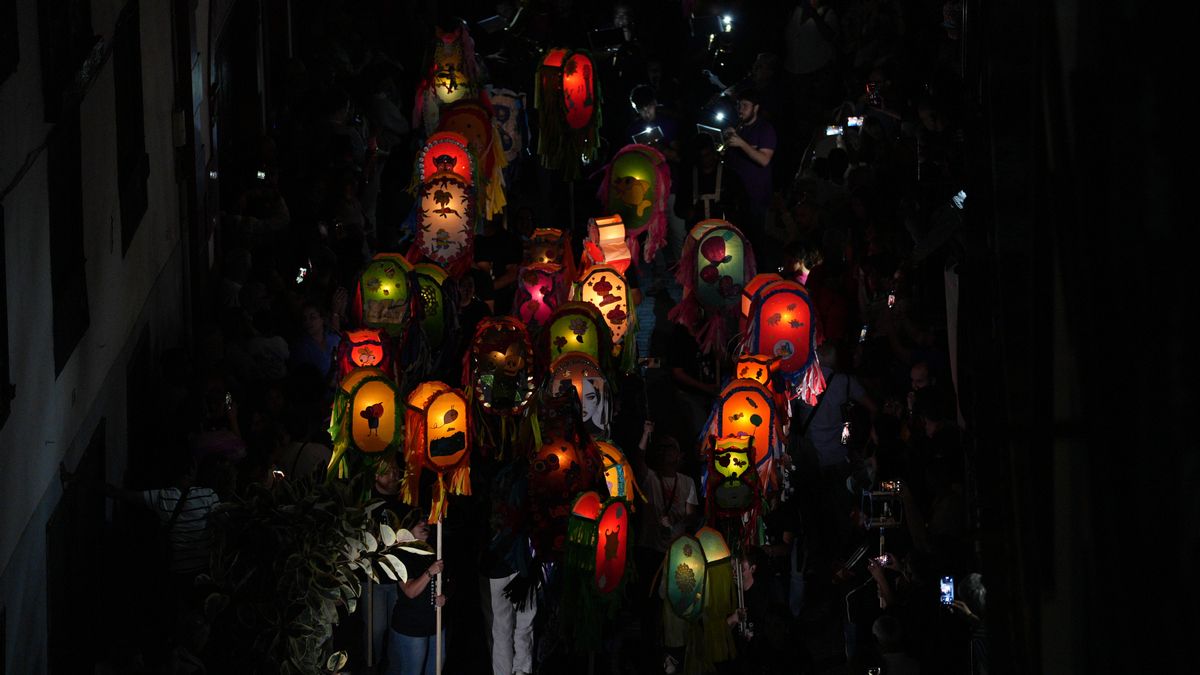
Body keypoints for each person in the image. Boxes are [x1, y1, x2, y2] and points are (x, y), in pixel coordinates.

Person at [386, 510, 447, 675]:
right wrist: (429, 572)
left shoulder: (435, 550)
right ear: (408, 527)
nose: (424, 525)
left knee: (435, 669)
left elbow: (448, 581)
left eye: (426, 521)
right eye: (419, 522)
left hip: (435, 624)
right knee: (412, 670)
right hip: (411, 626)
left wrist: (444, 597)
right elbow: (410, 591)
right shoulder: (400, 555)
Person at [722, 89, 777, 266]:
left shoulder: (765, 129)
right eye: (739, 105)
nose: (741, 109)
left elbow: (764, 160)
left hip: (756, 197)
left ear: (756, 108)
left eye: (745, 105)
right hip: (736, 198)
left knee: (758, 244)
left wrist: (741, 143)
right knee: (737, 245)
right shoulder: (739, 129)